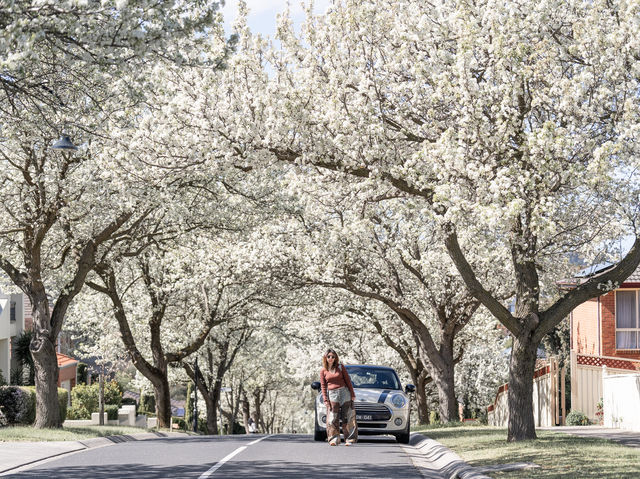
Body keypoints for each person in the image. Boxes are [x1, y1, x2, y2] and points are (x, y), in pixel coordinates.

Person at [319, 348, 358, 446]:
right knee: (332, 418)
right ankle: (334, 439)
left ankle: (350, 439)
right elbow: (323, 386)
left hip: (344, 393)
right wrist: (325, 399)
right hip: (332, 395)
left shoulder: (340, 367)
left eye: (333, 356)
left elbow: (348, 381)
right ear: (325, 358)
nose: (331, 358)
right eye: (329, 357)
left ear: (335, 358)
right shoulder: (323, 371)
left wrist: (352, 394)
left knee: (348, 416)